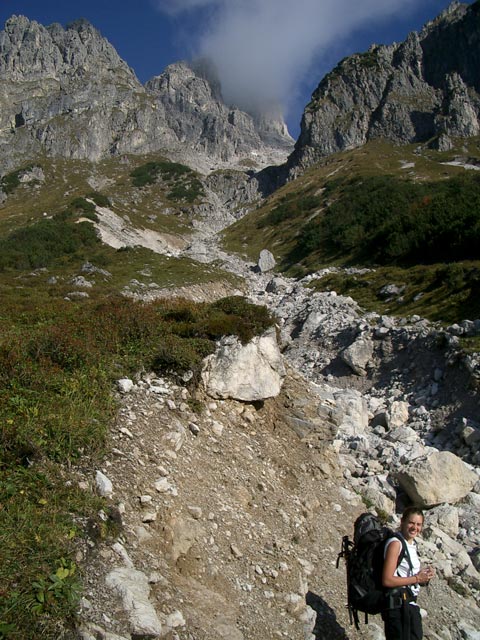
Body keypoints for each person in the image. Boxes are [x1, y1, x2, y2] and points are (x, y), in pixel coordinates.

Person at [381, 506, 435, 640]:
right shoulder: (396, 544)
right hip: (397, 608)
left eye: (418, 524)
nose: (414, 527)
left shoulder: (411, 545)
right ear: (402, 522)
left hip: (409, 606)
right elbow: (387, 580)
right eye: (411, 523)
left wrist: (423, 577)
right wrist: (417, 578)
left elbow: (405, 574)